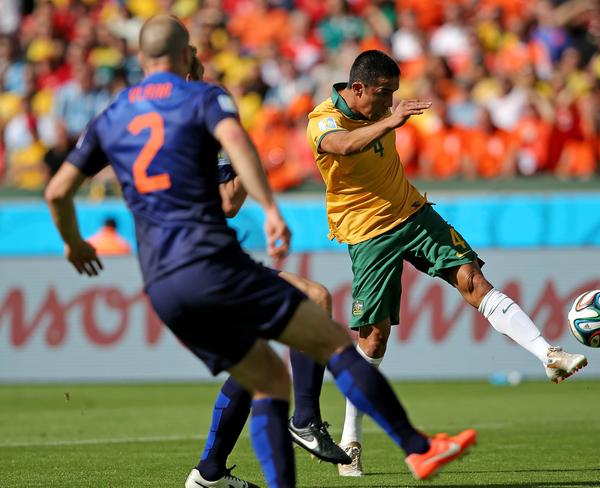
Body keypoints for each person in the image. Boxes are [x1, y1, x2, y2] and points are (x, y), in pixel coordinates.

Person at [45, 16, 476, 488]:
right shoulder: (204, 99)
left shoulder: (113, 114)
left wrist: (73, 242)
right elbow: (231, 193)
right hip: (210, 261)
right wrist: (269, 208)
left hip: (161, 283)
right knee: (318, 313)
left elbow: (57, 192)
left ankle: (209, 475)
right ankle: (412, 447)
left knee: (266, 376)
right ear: (184, 55)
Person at [306, 49, 588, 477]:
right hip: (367, 234)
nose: (389, 102)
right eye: (383, 94)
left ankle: (546, 353)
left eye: (394, 95)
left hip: (413, 213)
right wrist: (390, 121)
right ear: (357, 88)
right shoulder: (323, 119)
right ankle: (351, 439)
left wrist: (387, 118)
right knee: (374, 338)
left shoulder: (380, 108)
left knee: (473, 279)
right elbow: (342, 147)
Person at [183, 51, 350, 488]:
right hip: (199, 267)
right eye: (193, 64)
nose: (201, 71)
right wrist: (256, 166)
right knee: (310, 303)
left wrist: (254, 164)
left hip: (216, 262)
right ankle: (305, 420)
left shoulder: (195, 124)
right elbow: (223, 203)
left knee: (261, 355)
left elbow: (227, 201)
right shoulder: (188, 130)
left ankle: (209, 474)